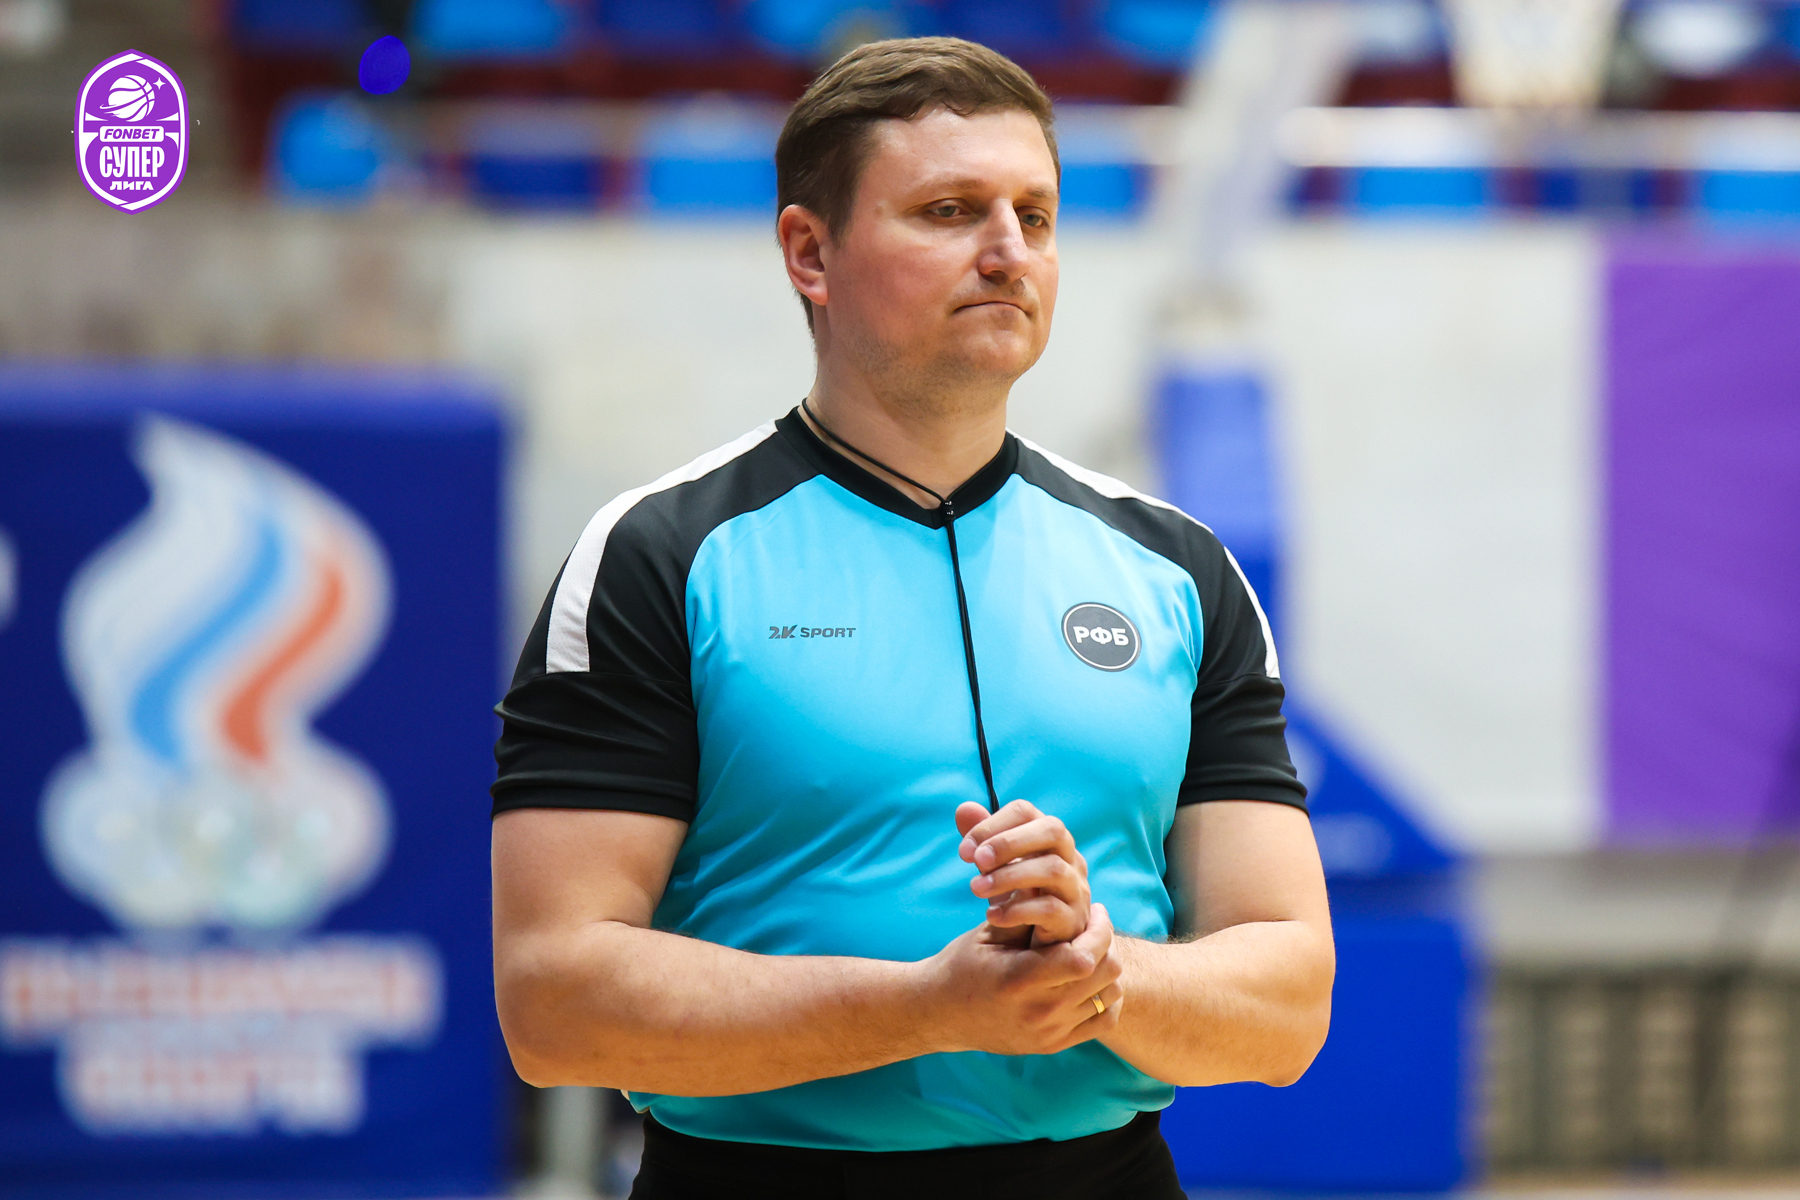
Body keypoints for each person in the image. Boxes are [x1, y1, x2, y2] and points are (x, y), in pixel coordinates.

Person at [490, 36, 1333, 1200]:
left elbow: (1289, 1005)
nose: (1008, 251)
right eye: (949, 211)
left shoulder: (1176, 571)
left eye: (1035, 216)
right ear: (810, 253)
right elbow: (553, 1006)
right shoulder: (659, 558)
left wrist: (1102, 973)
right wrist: (928, 1007)